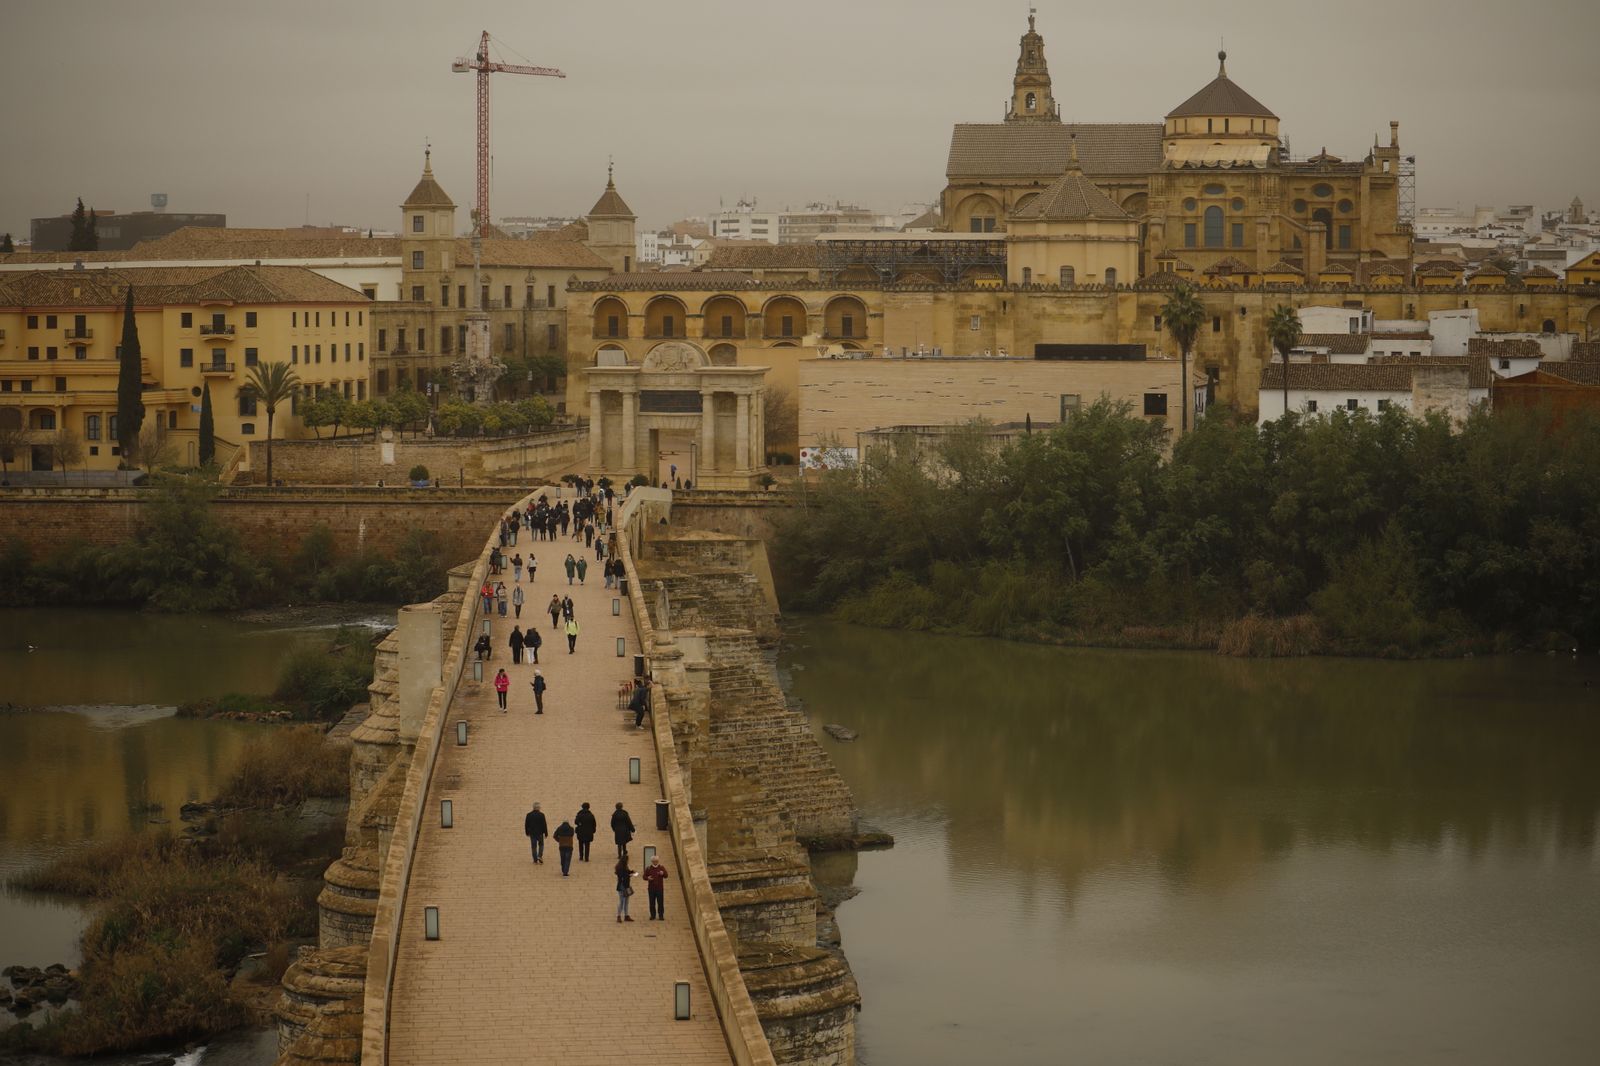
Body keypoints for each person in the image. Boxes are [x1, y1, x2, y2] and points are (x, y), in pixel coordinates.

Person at [643, 854, 669, 920]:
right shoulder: (648, 868)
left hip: (659, 888)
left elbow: (666, 875)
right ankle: (652, 915)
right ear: (652, 861)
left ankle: (661, 915)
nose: (655, 862)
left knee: (660, 902)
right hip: (651, 889)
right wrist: (648, 878)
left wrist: (662, 873)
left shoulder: (661, 867)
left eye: (656, 861)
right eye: (654, 861)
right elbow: (644, 876)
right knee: (652, 902)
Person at [615, 857, 636, 923]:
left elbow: (627, 872)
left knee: (626, 902)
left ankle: (626, 915)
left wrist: (631, 871)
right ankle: (618, 916)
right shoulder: (620, 868)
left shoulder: (623, 866)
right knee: (622, 902)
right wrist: (630, 875)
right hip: (622, 886)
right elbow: (623, 876)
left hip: (626, 886)